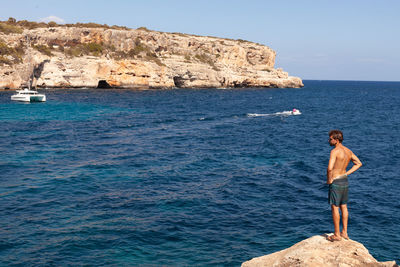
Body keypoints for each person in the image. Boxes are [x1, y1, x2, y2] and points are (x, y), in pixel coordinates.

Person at [326, 130, 362, 242]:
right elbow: (359, 163)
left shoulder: (335, 151)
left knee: (335, 207)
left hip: (336, 181)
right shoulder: (348, 151)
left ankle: (337, 234)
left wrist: (329, 180)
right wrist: (346, 173)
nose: (329, 140)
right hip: (344, 180)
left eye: (331, 138)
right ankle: (344, 232)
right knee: (344, 206)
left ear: (336, 140)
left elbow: (330, 168)